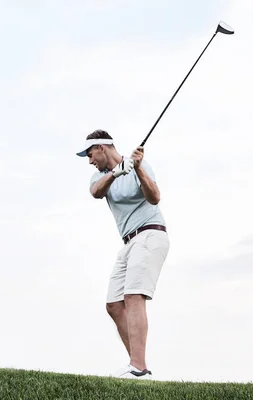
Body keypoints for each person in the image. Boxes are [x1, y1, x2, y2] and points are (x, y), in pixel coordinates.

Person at [76, 129, 170, 379]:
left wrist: (137, 168)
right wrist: (118, 172)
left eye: (90, 153)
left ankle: (138, 369)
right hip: (128, 242)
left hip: (150, 234)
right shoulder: (99, 177)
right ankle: (138, 365)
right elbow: (96, 192)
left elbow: (155, 198)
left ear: (102, 147)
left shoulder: (141, 166)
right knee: (114, 304)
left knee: (133, 296)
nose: (89, 160)